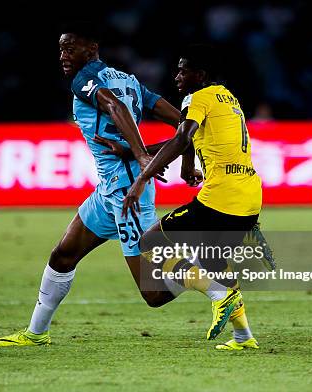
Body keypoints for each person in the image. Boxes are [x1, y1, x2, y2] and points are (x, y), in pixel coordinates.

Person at [0, 22, 184, 347]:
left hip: (127, 194)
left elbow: (114, 107)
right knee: (63, 255)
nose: (63, 55)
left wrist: (141, 155)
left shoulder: (85, 79)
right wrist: (158, 152)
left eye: (70, 47)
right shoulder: (128, 80)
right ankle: (36, 334)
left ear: (91, 49)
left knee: (155, 294)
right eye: (61, 48)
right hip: (107, 193)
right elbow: (182, 124)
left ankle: (209, 269)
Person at [121, 45, 264, 350]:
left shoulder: (196, 98)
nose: (177, 76)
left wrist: (142, 178)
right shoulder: (227, 96)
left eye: (183, 70)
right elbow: (189, 139)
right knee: (215, 261)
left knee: (151, 242)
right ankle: (243, 337)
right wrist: (154, 155)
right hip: (249, 197)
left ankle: (218, 295)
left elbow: (182, 137)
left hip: (222, 198)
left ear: (200, 75)